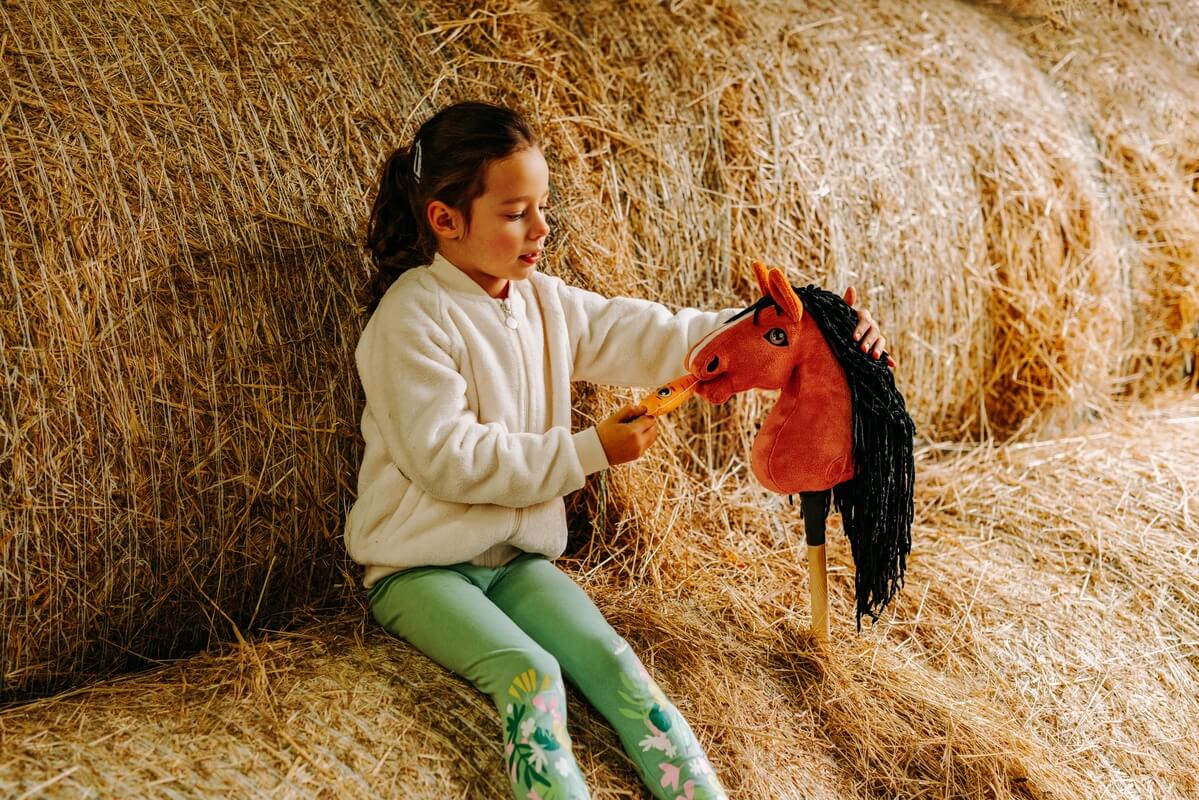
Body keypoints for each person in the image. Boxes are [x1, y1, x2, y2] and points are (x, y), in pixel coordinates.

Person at [347, 100, 890, 800]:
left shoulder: (542, 302)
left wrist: (802, 330)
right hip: (421, 570)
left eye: (543, 207)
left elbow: (648, 332)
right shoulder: (411, 319)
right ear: (445, 220)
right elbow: (447, 459)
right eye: (515, 213)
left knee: (616, 662)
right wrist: (589, 450)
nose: (540, 228)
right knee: (529, 674)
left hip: (514, 563)